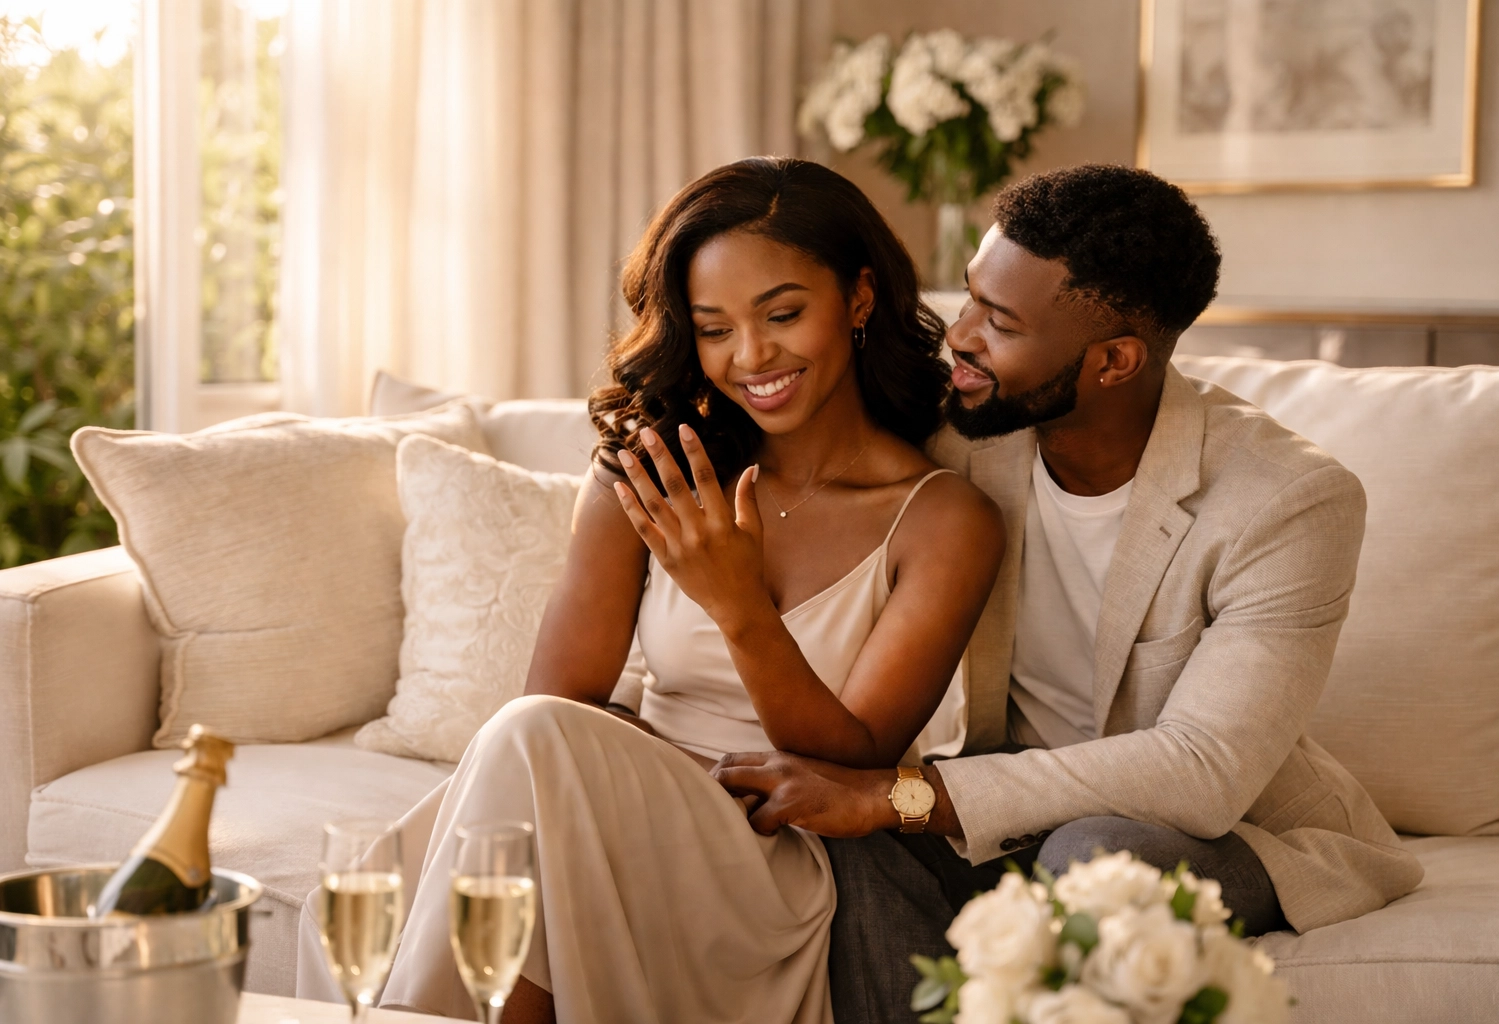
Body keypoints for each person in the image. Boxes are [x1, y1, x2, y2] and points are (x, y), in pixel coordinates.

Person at [711, 164, 1426, 1022]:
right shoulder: (962, 433)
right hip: (1004, 806)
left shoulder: (1286, 500)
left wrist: (902, 797)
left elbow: (1202, 772)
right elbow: (777, 397)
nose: (961, 337)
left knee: (1091, 854)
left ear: (1114, 360)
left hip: (1228, 834)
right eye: (970, 299)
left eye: (999, 324)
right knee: (848, 838)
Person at [299, 157, 1005, 1023]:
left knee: (515, 786)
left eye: (783, 314)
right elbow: (556, 706)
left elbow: (852, 761)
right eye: (714, 329)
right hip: (615, 813)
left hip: (776, 861)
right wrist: (648, 761)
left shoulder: (943, 520)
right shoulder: (653, 475)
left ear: (858, 300)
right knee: (489, 783)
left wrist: (738, 605)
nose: (752, 357)